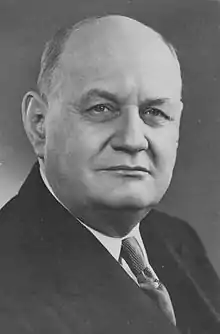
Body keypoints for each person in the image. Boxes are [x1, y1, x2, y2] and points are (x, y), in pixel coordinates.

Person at [0, 15, 220, 334]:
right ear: (39, 124)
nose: (132, 139)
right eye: (101, 108)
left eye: (155, 113)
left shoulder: (178, 239)